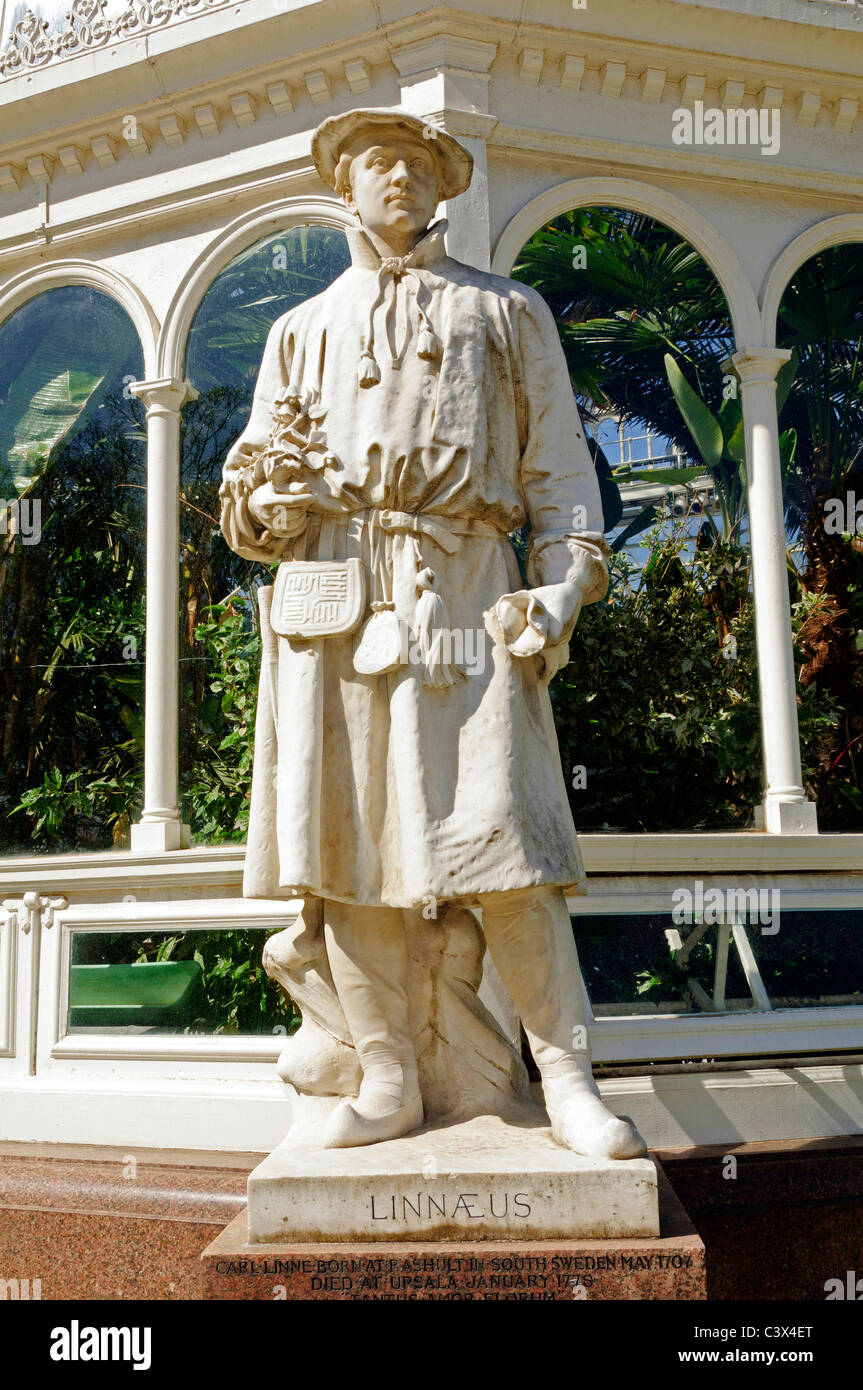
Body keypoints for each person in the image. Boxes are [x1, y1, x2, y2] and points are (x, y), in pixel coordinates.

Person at [220, 107, 645, 1159]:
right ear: (345, 188)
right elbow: (244, 500)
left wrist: (563, 587)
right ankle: (387, 1078)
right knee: (349, 846)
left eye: (415, 164)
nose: (396, 179)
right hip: (337, 591)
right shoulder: (299, 328)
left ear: (441, 183)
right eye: (376, 165)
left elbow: (558, 472)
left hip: (468, 585)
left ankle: (567, 1077)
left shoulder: (503, 310)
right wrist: (268, 505)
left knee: (506, 840)